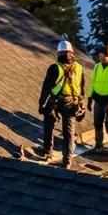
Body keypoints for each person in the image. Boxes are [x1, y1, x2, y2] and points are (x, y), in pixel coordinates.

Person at [35, 39, 86, 168]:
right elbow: (82, 86)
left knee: (49, 124)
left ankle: (47, 152)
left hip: (56, 101)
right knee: (69, 131)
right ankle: (67, 160)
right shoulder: (79, 67)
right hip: (72, 101)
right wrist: (81, 102)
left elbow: (46, 87)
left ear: (58, 53)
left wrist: (42, 104)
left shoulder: (55, 68)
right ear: (72, 53)